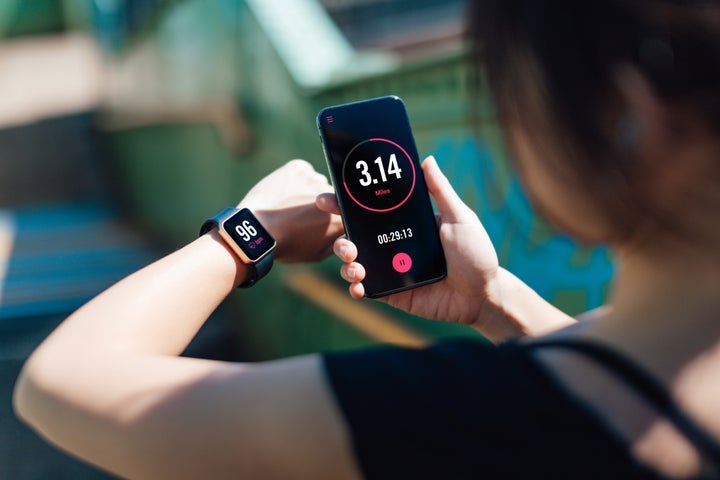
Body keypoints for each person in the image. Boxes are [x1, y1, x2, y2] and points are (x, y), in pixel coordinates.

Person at [13, 0, 720, 478]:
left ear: (627, 114)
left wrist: (247, 234)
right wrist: (493, 300)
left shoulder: (463, 416)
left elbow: (61, 384)